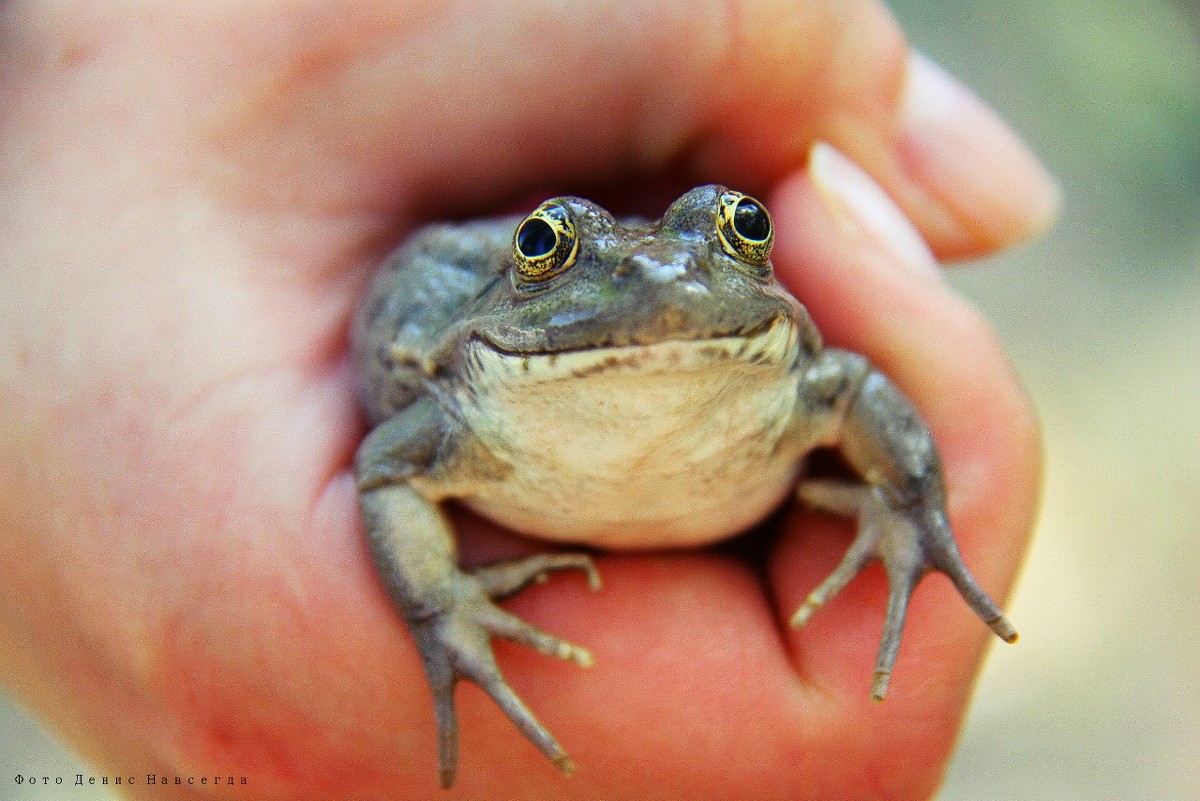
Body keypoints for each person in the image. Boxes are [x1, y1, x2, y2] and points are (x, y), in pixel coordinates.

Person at [0, 1, 1057, 798]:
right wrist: (438, 607)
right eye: (553, 254)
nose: (658, 291)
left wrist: (906, 506)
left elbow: (854, 388)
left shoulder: (798, 387)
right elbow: (389, 470)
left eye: (737, 239)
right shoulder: (459, 415)